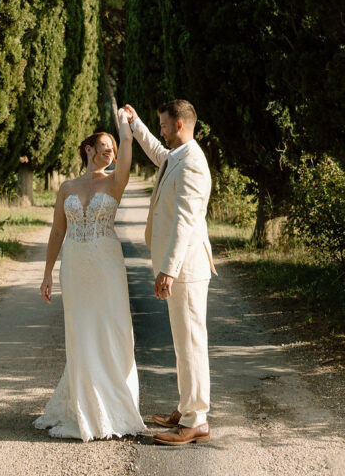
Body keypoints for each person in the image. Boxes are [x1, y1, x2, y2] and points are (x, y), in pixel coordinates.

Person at [34, 111, 147, 442]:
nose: (108, 152)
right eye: (102, 146)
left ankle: (114, 406)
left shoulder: (115, 181)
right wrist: (47, 274)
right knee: (81, 333)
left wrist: (123, 127)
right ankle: (83, 404)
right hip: (75, 266)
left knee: (111, 331)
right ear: (87, 150)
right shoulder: (68, 187)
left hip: (107, 267)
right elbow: (57, 231)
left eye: (111, 148)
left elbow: (126, 144)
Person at [123, 99, 216, 446]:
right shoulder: (177, 156)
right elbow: (158, 152)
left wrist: (168, 270)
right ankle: (187, 406)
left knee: (191, 344)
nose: (160, 130)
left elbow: (186, 223)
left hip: (186, 268)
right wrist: (136, 126)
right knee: (184, 344)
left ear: (179, 125)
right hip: (180, 267)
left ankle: (195, 421)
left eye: (163, 124)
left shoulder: (192, 163)